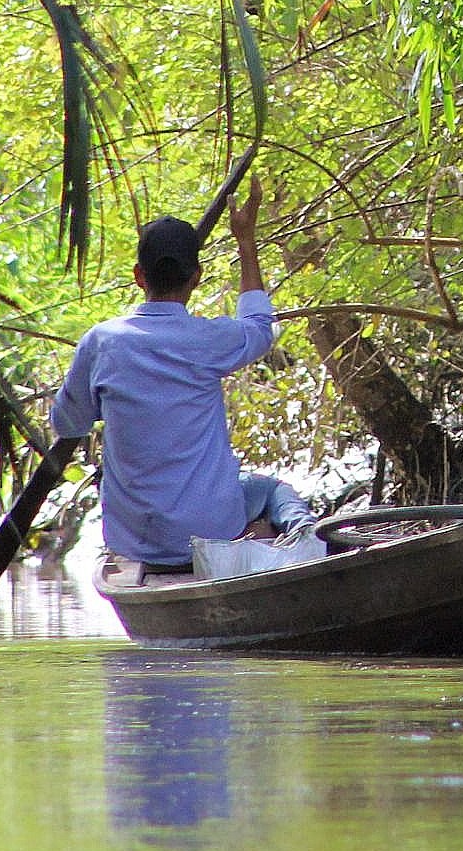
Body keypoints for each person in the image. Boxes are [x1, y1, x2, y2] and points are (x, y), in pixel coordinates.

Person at [51, 175, 313, 574]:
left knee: (250, 491)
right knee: (271, 490)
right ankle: (306, 537)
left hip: (135, 538)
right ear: (198, 277)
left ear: (140, 277)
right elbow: (261, 327)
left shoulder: (101, 342)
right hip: (211, 527)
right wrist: (245, 242)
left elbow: (68, 423)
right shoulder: (208, 340)